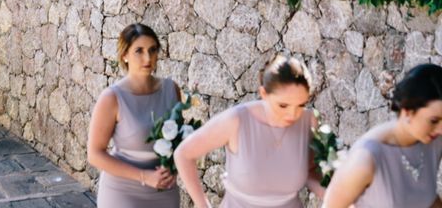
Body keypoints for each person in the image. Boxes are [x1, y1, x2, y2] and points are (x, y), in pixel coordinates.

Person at [174, 55, 323, 208]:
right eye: (283, 105)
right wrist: (203, 205)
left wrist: (337, 196)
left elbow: (310, 171)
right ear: (264, 94)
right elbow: (183, 154)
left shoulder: (308, 121)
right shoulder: (237, 120)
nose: (292, 114)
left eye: (300, 105)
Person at [323, 63, 442, 208]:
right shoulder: (365, 158)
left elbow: (427, 199)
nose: (440, 129)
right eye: (434, 120)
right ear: (407, 111)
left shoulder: (433, 140)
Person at [87, 23, 180, 208]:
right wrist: (144, 177)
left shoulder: (171, 89)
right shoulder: (112, 97)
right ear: (125, 55)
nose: (148, 57)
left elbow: (178, 139)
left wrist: (174, 168)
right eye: (139, 50)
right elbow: (95, 154)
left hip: (164, 190)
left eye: (152, 50)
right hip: (122, 193)